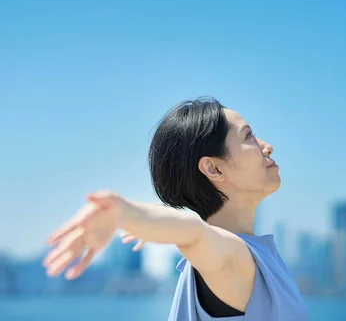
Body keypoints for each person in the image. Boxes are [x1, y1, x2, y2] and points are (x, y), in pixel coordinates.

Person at [43, 97, 309, 320]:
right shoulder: (232, 259)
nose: (267, 146)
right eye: (248, 136)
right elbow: (195, 233)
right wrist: (125, 214)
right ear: (213, 168)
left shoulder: (256, 256)